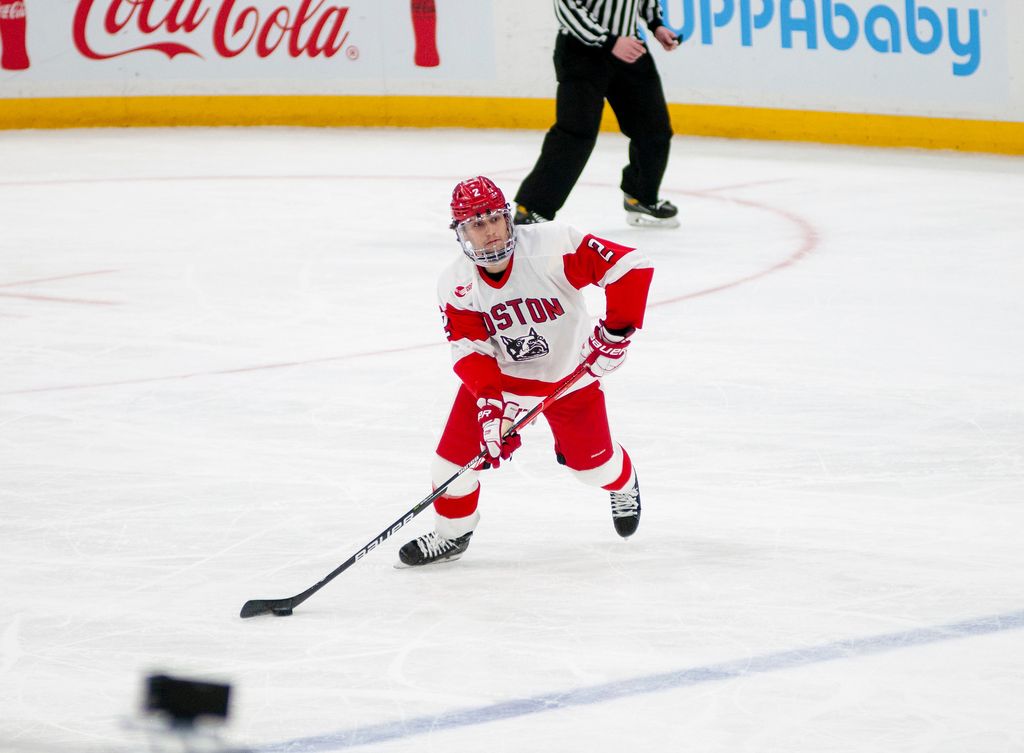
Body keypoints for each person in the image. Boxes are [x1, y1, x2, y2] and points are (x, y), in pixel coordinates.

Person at [397, 176, 654, 567]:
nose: (489, 233)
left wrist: (616, 333)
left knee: (593, 470)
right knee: (450, 468)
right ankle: (452, 536)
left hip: (570, 378)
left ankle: (624, 481)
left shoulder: (553, 245)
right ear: (461, 233)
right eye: (475, 225)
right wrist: (488, 403)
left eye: (493, 220)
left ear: (507, 218)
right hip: (503, 385)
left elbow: (630, 266)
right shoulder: (456, 283)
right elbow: (469, 350)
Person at [513, 0, 680, 228]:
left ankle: (640, 197)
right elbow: (566, 7)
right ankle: (532, 208)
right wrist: (609, 40)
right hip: (581, 52)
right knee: (575, 133)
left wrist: (656, 24)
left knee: (654, 128)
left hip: (629, 47)